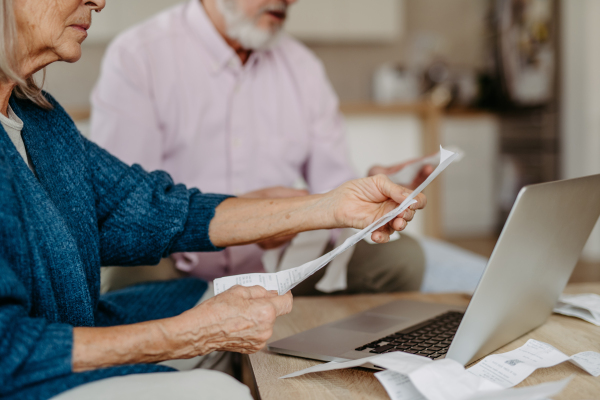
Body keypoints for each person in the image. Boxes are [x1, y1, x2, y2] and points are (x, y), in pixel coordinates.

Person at [0, 0, 426, 399]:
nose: (98, 0)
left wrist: (329, 206)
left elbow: (154, 207)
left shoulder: (41, 117)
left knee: (243, 317)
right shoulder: (143, 53)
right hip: (39, 367)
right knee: (224, 388)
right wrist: (188, 333)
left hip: (77, 329)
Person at [91, 0, 433, 295]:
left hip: (282, 264)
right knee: (127, 273)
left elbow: (332, 191)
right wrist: (257, 217)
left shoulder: (303, 68)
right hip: (178, 264)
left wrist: (367, 187)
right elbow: (127, 210)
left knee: (402, 259)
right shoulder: (138, 56)